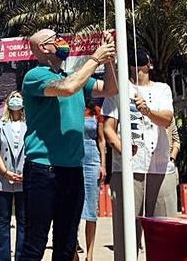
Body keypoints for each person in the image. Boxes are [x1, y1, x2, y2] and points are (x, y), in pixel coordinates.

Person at [19, 29, 117, 261]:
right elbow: (66, 88)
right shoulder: (35, 76)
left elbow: (110, 89)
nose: (64, 42)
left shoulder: (74, 75)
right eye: (56, 39)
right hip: (43, 170)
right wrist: (95, 58)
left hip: (73, 170)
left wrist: (110, 59)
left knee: (66, 243)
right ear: (43, 47)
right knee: (35, 243)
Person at [102, 47, 177, 251]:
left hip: (160, 168)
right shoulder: (118, 89)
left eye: (142, 60)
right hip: (128, 169)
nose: (137, 64)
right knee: (126, 235)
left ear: (150, 64)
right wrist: (120, 148)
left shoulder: (163, 89)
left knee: (164, 233)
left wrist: (147, 110)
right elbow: (108, 128)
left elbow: (167, 119)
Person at [0, 91, 27, 261]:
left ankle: (21, 257)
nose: (15, 100)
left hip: (24, 177)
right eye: (13, 97)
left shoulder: (30, 123)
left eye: (18, 97)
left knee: (24, 220)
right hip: (2, 176)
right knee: (3, 220)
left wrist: (27, 171)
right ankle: (3, 257)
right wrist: (5, 171)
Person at [79, 97, 106, 261]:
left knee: (91, 209)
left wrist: (103, 165)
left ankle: (90, 255)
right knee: (71, 207)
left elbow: (101, 140)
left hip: (92, 160)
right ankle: (73, 251)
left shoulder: (96, 111)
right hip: (73, 159)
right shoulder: (69, 108)